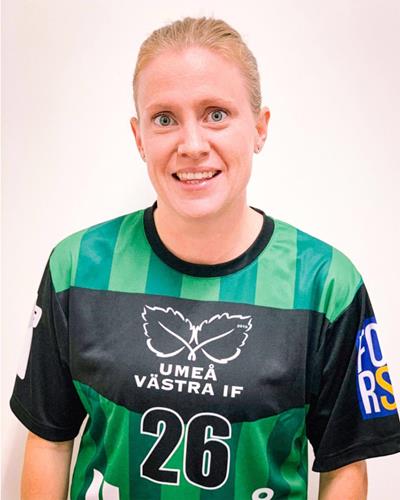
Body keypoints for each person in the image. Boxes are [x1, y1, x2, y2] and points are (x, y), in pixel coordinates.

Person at [10, 16, 400, 500]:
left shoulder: (327, 284)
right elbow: (49, 439)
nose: (192, 145)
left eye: (216, 114)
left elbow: (344, 467)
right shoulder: (77, 267)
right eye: (164, 119)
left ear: (260, 127)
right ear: (139, 137)